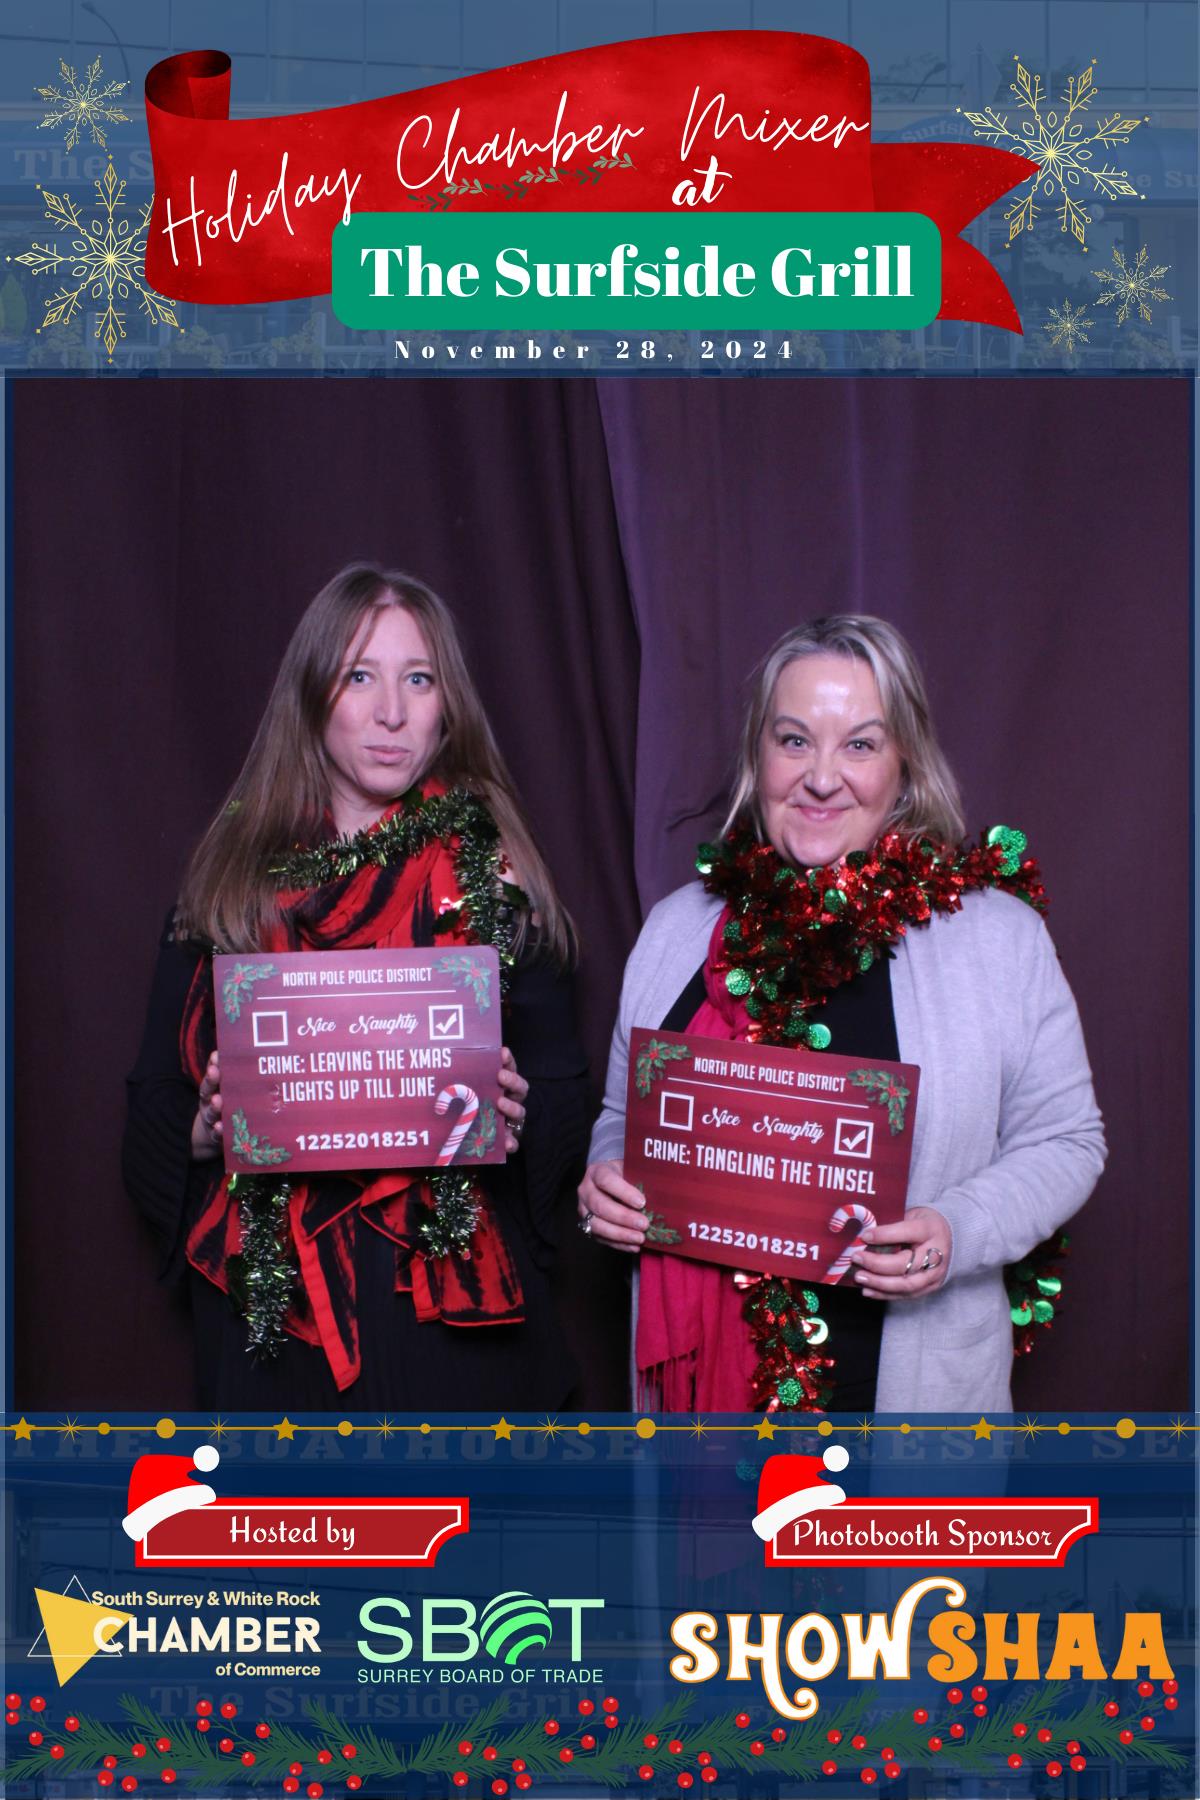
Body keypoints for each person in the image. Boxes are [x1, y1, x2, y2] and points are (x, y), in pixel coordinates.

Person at [579, 615, 1105, 1414]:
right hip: (707, 1418)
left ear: (905, 765)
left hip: (909, 1410)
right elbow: (625, 1117)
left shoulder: (999, 940)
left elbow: (1067, 1140)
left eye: (860, 745)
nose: (822, 778)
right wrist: (607, 1182)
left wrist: (956, 1229)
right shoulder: (675, 930)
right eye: (794, 740)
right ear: (758, 756)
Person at [124, 563, 590, 1411]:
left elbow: (566, 1099)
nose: (392, 713)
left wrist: (519, 1121)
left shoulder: (497, 878)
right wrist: (205, 1129)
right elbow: (151, 1100)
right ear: (312, 697)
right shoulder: (230, 885)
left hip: (455, 1322)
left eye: (419, 679)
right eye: (360, 677)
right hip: (276, 1323)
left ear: (448, 705)